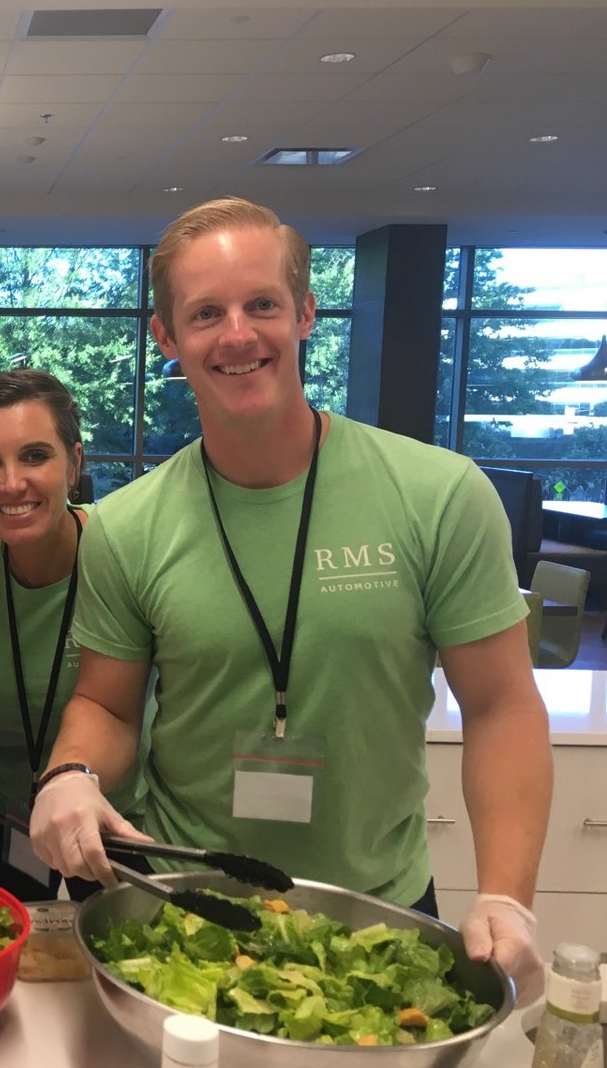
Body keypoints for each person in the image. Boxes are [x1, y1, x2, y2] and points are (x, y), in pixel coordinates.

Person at [28, 196, 551, 1002]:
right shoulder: (127, 525)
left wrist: (507, 894)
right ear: (166, 336)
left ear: (306, 313)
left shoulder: (439, 495)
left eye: (262, 304)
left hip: (379, 914)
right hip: (188, 912)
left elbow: (502, 705)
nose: (238, 334)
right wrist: (70, 771)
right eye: (206, 313)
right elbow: (107, 703)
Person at [0, 369, 151, 902]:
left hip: (112, 811)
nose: (12, 483)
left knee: (114, 948)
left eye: (35, 456)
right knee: (1, 944)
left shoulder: (123, 553)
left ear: (74, 463)